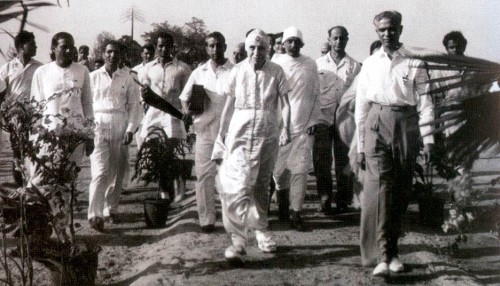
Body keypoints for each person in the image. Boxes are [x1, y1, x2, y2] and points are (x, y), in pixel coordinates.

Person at [355, 10, 434, 276]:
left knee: (400, 188)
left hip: (406, 125)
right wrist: (359, 144)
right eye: (382, 30)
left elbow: (425, 103)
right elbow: (361, 106)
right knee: (379, 188)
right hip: (376, 122)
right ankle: (381, 255)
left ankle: (394, 251)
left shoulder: (414, 62)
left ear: (400, 29)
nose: (387, 34)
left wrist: (429, 138)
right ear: (376, 32)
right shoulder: (370, 63)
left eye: (391, 29)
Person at [212, 29, 291, 265]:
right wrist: (222, 134)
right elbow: (229, 105)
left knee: (262, 182)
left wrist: (285, 128)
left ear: (268, 49)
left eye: (262, 48)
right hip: (240, 129)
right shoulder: (237, 71)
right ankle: (238, 239)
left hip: (267, 130)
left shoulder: (277, 71)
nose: (257, 53)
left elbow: (285, 103)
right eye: (252, 48)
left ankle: (261, 230)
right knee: (238, 183)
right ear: (246, 49)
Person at [180, 32, 234, 233]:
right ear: (206, 48)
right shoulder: (199, 72)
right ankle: (207, 219)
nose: (215, 49)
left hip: (228, 131)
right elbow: (185, 98)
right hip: (204, 129)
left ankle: (230, 218)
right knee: (204, 176)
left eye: (219, 45)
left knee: (228, 176)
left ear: (225, 47)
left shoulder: (235, 71)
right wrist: (189, 112)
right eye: (211, 46)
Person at [87, 41, 141, 231]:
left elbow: (135, 107)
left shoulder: (127, 79)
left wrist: (130, 130)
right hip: (98, 123)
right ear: (103, 54)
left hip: (120, 121)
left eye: (116, 52)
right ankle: (95, 214)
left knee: (118, 169)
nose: (112, 55)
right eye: (109, 52)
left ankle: (111, 208)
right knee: (100, 170)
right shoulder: (92, 77)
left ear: (121, 55)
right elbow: (87, 104)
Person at [30, 31, 94, 188]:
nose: (69, 51)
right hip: (49, 136)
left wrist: (90, 135)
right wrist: (35, 137)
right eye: (64, 47)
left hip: (75, 136)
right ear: (53, 48)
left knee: (69, 180)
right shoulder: (42, 72)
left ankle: (66, 212)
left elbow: (87, 104)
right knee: (44, 180)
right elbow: (36, 107)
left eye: (71, 47)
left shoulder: (82, 70)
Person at [272, 26, 320, 231]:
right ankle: (283, 207)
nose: (292, 45)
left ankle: (296, 213)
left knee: (300, 170)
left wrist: (313, 121)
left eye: (296, 42)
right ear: (283, 44)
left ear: (302, 44)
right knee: (278, 170)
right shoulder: (275, 63)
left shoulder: (310, 64)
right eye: (289, 41)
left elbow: (317, 93)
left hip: (302, 126)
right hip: (279, 125)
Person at [139, 33, 191, 201]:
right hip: (154, 115)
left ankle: (177, 182)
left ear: (172, 47)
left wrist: (186, 116)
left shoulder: (182, 68)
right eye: (160, 46)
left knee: (169, 152)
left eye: (167, 46)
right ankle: (163, 189)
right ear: (156, 47)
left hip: (173, 115)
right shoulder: (148, 68)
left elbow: (186, 94)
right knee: (155, 153)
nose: (163, 49)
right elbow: (144, 94)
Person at [315, 26, 361, 214]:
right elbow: (312, 94)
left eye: (342, 38)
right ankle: (324, 197)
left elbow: (359, 93)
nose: (338, 42)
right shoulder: (317, 64)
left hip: (346, 118)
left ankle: (343, 198)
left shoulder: (355, 65)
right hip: (323, 117)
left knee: (344, 160)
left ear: (347, 40)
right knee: (322, 160)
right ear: (329, 39)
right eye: (335, 38)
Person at [0, 30, 43, 186]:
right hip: (15, 118)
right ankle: (21, 189)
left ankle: (33, 189)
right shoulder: (7, 68)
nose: (36, 47)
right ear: (21, 46)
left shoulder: (40, 68)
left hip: (35, 117)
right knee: (18, 153)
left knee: (35, 152)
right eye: (32, 44)